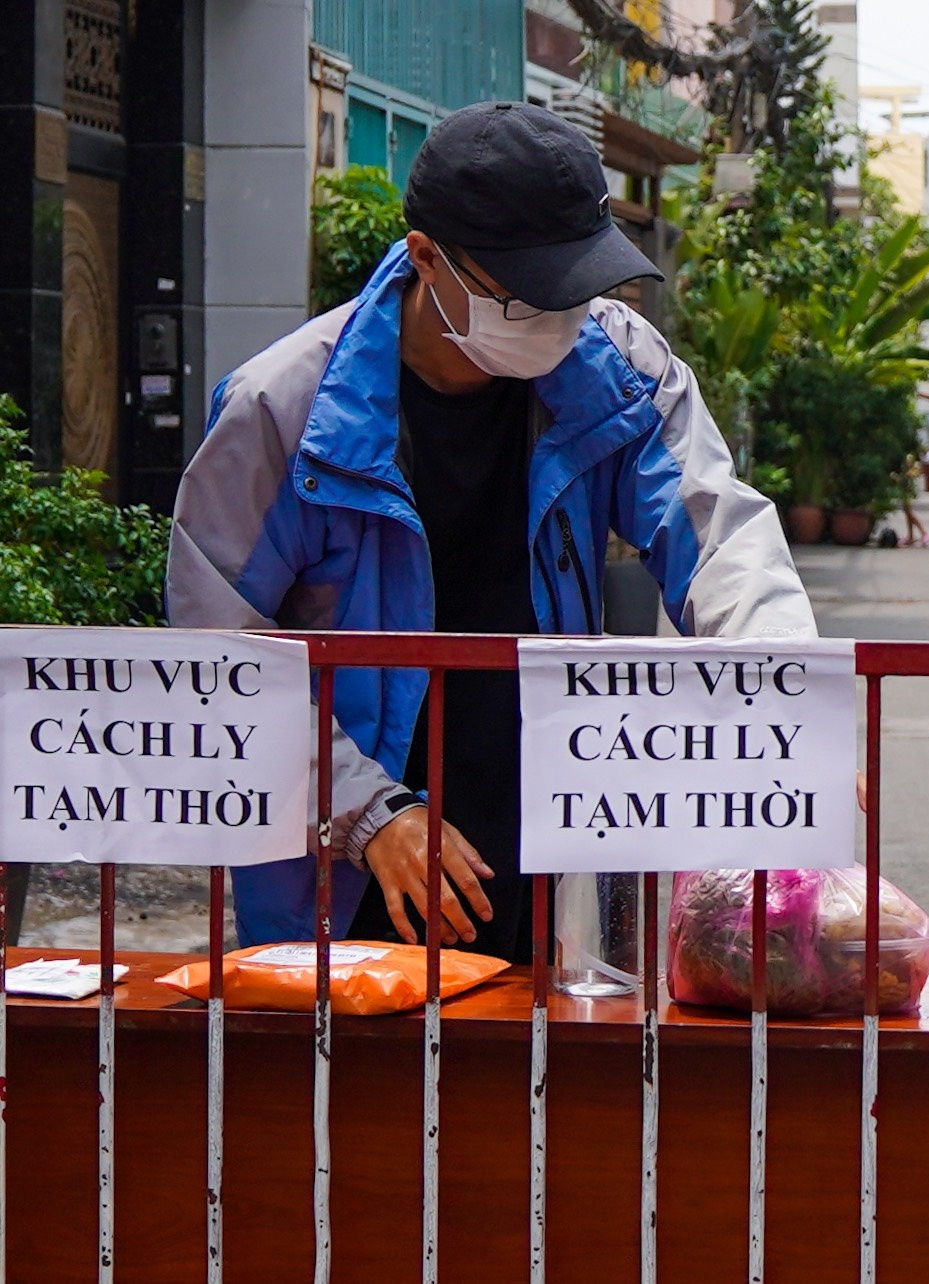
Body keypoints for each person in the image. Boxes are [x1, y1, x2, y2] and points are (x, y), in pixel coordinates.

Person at [167, 102, 815, 961]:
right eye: (523, 292)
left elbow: (719, 534)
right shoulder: (282, 410)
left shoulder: (619, 372)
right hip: (348, 867)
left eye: (576, 288)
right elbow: (219, 655)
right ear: (426, 258)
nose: (559, 316)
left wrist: (792, 700)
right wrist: (365, 814)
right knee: (351, 1048)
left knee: (546, 1039)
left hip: (549, 830)